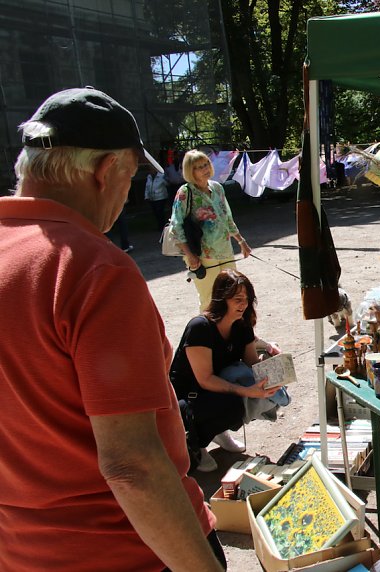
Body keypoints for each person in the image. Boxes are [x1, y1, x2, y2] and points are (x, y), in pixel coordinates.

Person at [0, 87, 224, 570]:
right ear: (106, 171)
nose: (130, 194)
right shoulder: (91, 268)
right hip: (125, 551)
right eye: (131, 178)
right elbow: (131, 465)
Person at [169, 269, 281, 472]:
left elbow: (251, 364)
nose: (243, 304)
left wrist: (274, 367)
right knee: (234, 403)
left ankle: (216, 432)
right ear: (222, 298)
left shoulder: (242, 325)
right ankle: (197, 443)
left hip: (216, 387)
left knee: (266, 396)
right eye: (237, 298)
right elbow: (205, 380)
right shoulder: (200, 327)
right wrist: (247, 391)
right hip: (188, 394)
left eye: (246, 299)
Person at [170, 149, 251, 311]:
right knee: (210, 299)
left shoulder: (218, 188)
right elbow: (175, 226)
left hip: (225, 250)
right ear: (190, 171)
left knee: (232, 294)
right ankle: (207, 334)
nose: (205, 168)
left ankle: (232, 332)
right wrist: (189, 255)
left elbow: (227, 218)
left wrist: (241, 241)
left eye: (206, 164)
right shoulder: (185, 193)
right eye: (199, 167)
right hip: (202, 254)